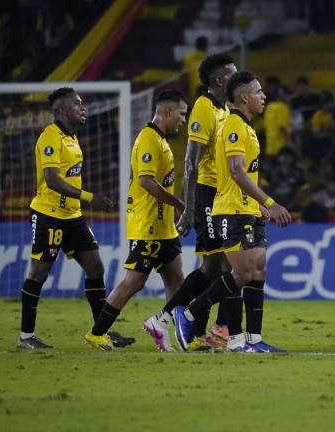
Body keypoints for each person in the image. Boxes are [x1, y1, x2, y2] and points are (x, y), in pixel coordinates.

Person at [172, 71, 292, 353]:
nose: (264, 96)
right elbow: (237, 171)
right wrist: (271, 201)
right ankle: (187, 314)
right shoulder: (235, 126)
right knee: (242, 273)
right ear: (243, 97)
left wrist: (260, 204)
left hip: (248, 208)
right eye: (259, 92)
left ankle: (252, 340)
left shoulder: (247, 126)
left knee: (258, 270)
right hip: (232, 210)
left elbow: (245, 172)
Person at [17, 87, 122, 349]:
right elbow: (52, 181)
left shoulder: (72, 138)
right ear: (62, 110)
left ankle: (100, 333)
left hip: (72, 216)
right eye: (77, 104)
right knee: (39, 272)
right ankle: (26, 336)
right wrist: (89, 197)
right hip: (48, 215)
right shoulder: (50, 137)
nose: (83, 108)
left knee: (96, 267)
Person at [85, 91, 188, 350]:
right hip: (148, 225)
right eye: (182, 114)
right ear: (167, 112)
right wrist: (178, 204)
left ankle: (163, 330)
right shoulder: (149, 139)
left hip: (163, 227)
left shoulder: (161, 140)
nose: (183, 120)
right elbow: (146, 180)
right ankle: (97, 333)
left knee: (176, 280)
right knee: (134, 281)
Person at [147, 54, 236, 352]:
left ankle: (174, 324)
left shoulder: (224, 108)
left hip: (221, 193)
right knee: (225, 266)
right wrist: (187, 209)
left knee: (214, 268)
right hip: (207, 194)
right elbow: (190, 161)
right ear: (220, 80)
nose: (237, 78)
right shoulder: (203, 107)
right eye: (232, 74)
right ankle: (214, 331)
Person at [182, 36, 209, 103]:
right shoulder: (210, 60)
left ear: (196, 46)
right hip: (206, 96)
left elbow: (183, 78)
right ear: (206, 46)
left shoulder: (187, 58)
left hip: (191, 97)